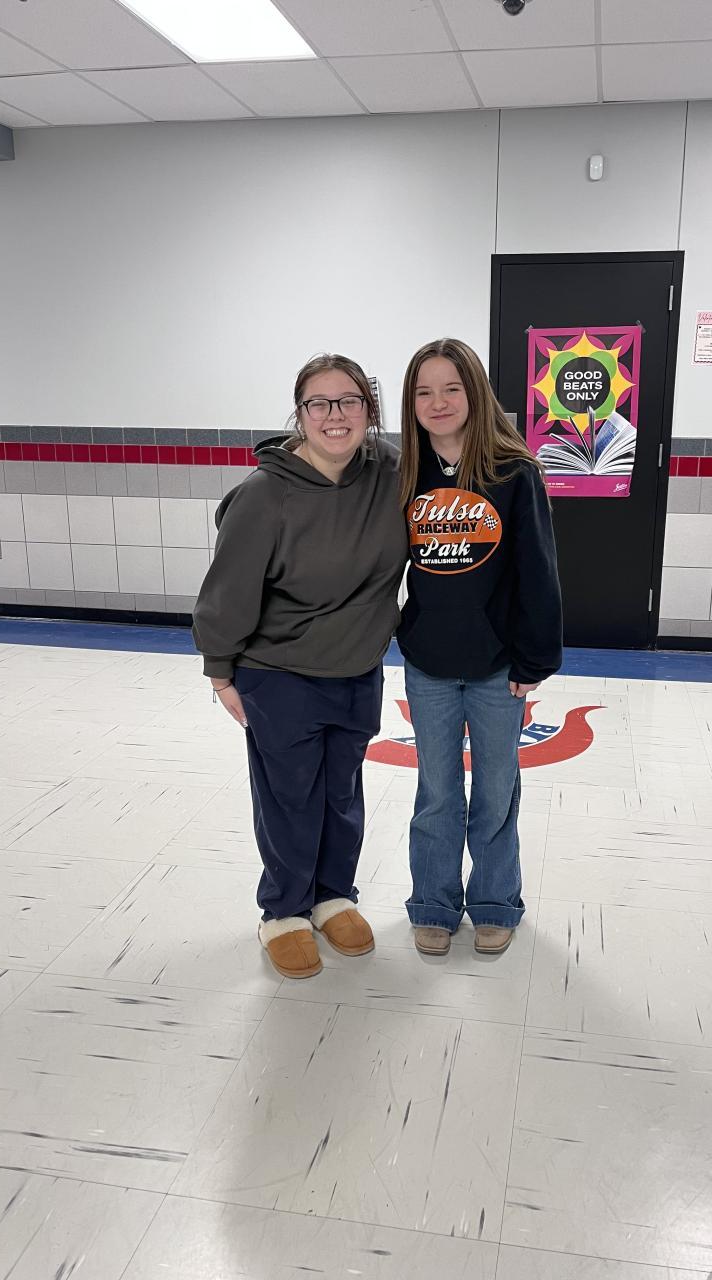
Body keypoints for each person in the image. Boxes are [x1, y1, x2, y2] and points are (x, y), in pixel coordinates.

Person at [192, 354, 407, 980]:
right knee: (291, 798)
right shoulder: (266, 495)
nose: (335, 415)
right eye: (319, 403)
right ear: (300, 413)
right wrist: (221, 671)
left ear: (369, 409)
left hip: (357, 668)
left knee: (341, 793)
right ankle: (284, 911)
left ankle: (333, 896)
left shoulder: (392, 473)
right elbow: (229, 589)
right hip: (279, 672)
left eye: (349, 401)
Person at [397, 338, 563, 957]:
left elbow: (538, 571)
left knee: (496, 792)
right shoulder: (404, 475)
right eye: (423, 391)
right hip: (429, 665)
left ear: (476, 393)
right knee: (437, 794)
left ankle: (495, 901)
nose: (437, 402)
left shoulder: (515, 472)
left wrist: (534, 659)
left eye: (451, 388)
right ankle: (433, 904)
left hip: (498, 670)